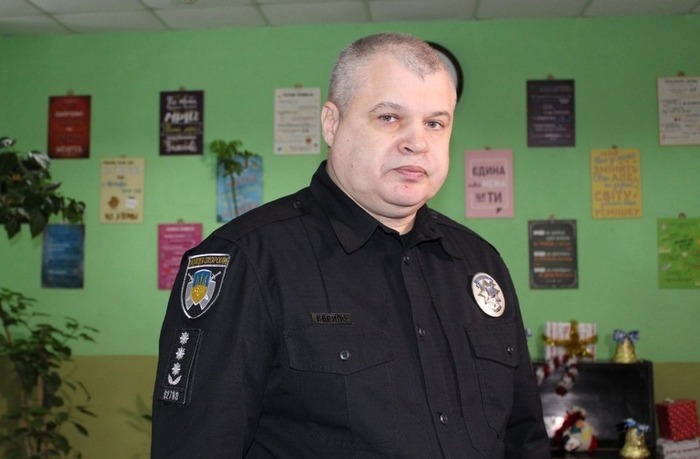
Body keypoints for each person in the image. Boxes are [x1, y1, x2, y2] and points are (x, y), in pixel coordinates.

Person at [151, 32, 550, 458]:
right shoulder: (247, 260)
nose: (417, 142)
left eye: (435, 123)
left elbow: (523, 438)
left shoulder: (479, 263)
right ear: (331, 123)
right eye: (389, 117)